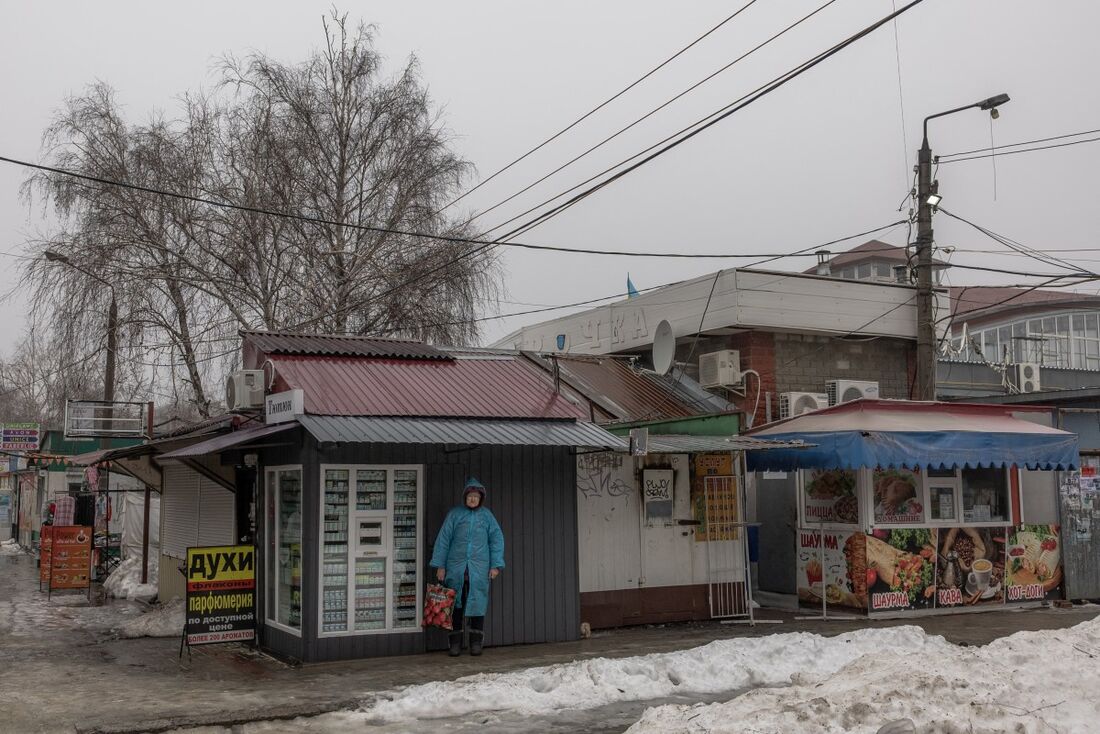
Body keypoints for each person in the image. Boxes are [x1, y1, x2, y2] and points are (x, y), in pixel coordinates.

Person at [430, 477, 505, 656]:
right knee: (455, 605)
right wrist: (440, 565)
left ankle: (475, 643)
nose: (472, 499)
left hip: (478, 571)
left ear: (481, 499)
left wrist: (496, 565)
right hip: (455, 570)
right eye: (470, 496)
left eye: (476, 496)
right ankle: (455, 643)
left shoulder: (487, 516)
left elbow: (496, 540)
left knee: (477, 605)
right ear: (465, 497)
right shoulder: (455, 514)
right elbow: (443, 540)